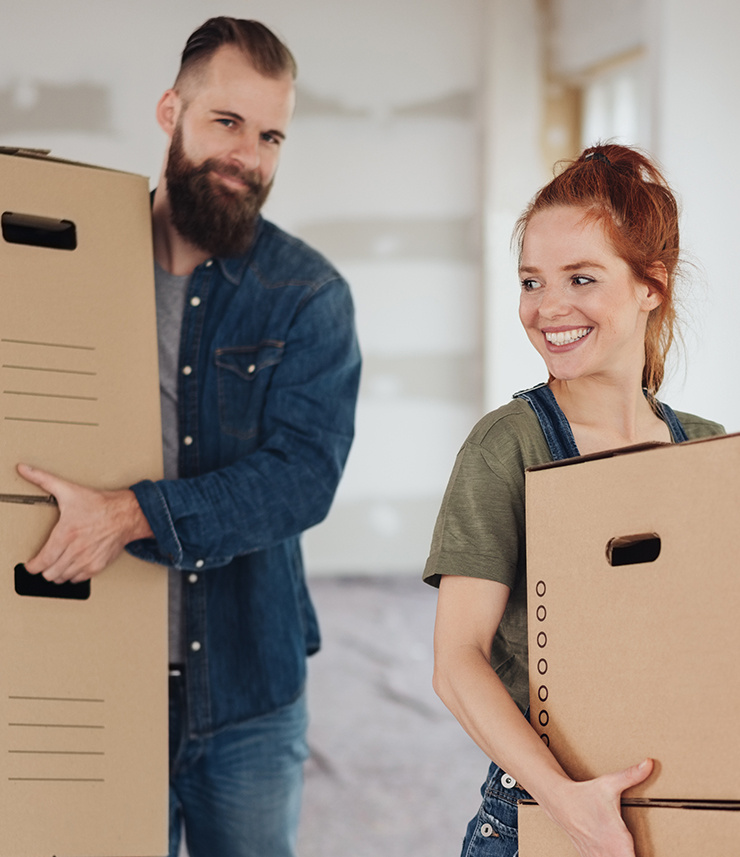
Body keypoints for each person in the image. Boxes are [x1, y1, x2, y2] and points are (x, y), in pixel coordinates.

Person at [16, 17, 361, 857]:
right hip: (88, 664)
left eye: (271, 134)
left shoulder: (306, 294)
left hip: (246, 691)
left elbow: (302, 477)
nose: (249, 153)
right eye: (227, 122)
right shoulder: (64, 265)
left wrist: (131, 515)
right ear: (171, 110)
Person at [423, 143, 724, 857]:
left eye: (581, 278)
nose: (547, 307)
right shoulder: (507, 447)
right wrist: (571, 805)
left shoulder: (709, 451)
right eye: (531, 281)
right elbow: (456, 660)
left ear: (652, 284)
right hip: (541, 810)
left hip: (697, 804)